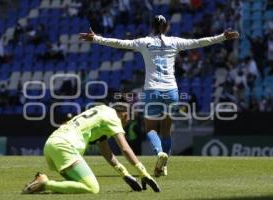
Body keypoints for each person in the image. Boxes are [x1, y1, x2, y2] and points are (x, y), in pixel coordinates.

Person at [79, 15, 239, 177]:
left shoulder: (143, 42)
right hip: (171, 91)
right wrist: (222, 37)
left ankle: (159, 153)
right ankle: (164, 165)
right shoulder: (174, 42)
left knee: (150, 129)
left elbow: (119, 43)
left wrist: (96, 38)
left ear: (152, 26)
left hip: (152, 90)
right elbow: (199, 42)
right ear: (167, 27)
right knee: (166, 131)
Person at [22, 104, 160, 194]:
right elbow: (125, 148)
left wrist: (124, 173)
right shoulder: (114, 119)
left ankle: (40, 183)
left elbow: (105, 150)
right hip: (65, 145)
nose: (126, 123)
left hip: (52, 143)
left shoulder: (102, 110)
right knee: (92, 188)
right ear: (124, 115)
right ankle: (45, 183)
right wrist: (143, 173)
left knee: (77, 186)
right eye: (127, 119)